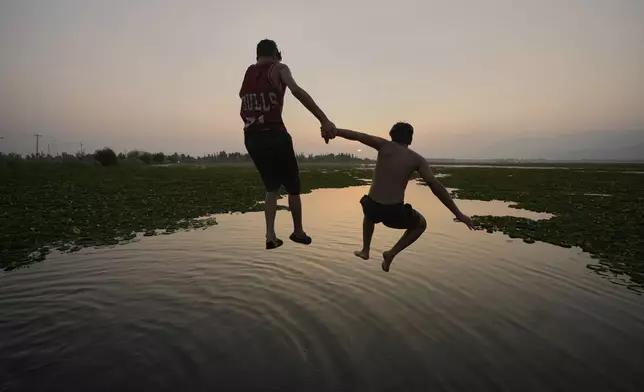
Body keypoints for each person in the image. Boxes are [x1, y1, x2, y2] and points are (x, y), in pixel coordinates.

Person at [324, 122, 476, 272]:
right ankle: (391, 253)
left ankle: (365, 250)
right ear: (410, 139)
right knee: (421, 224)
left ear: (392, 135)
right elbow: (435, 185)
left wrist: (335, 131)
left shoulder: (383, 145)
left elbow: (357, 136)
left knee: (369, 207)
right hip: (393, 212)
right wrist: (459, 214)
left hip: (372, 207)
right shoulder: (417, 159)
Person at [239, 39, 336, 249]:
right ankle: (298, 231)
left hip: (251, 137)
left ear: (257, 55)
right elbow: (297, 92)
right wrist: (324, 119)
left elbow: (244, 100)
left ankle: (270, 235)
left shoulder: (248, 73)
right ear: (275, 54)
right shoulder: (279, 68)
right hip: (274, 133)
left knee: (271, 187)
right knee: (293, 187)